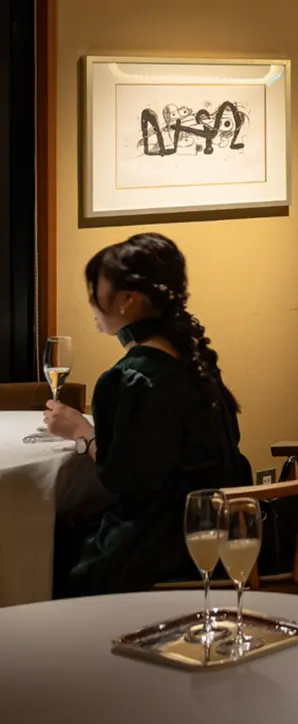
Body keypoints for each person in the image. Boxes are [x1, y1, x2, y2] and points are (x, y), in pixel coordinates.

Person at [44, 234, 250, 596]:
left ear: (128, 300)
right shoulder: (194, 359)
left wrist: (80, 431)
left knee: (46, 549)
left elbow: (122, 481)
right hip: (216, 528)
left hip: (162, 548)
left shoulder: (131, 377)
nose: (91, 301)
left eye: (96, 290)